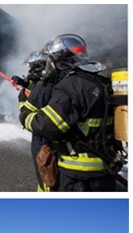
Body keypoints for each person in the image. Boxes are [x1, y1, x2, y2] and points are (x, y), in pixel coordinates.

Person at [18, 34, 121, 191]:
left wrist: (25, 116)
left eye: (52, 61)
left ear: (61, 60)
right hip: (104, 168)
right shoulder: (100, 80)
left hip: (77, 174)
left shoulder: (71, 85)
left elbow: (48, 125)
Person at [15, 50, 55, 191]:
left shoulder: (42, 87)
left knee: (45, 171)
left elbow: (26, 113)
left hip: (43, 138)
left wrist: (21, 100)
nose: (29, 69)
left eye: (31, 66)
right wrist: (23, 83)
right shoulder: (51, 81)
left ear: (37, 66)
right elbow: (34, 85)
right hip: (50, 134)